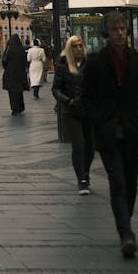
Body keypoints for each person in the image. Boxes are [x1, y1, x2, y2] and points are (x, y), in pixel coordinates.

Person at [82, 11, 138, 259]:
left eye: (123, 28)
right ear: (107, 32)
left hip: (133, 132)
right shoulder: (96, 62)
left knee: (131, 185)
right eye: (115, 29)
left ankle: (124, 223)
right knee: (118, 182)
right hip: (108, 134)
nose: (120, 33)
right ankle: (126, 233)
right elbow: (85, 96)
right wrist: (99, 119)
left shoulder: (136, 60)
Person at [52, 35, 95, 194]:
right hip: (71, 111)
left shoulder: (89, 64)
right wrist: (68, 101)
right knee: (79, 145)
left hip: (88, 110)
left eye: (80, 46)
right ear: (69, 48)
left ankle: (86, 172)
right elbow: (56, 89)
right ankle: (81, 180)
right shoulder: (63, 64)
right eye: (75, 46)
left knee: (90, 146)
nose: (79, 49)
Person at [2, 33, 28, 116]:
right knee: (19, 91)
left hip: (10, 73)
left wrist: (7, 67)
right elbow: (25, 61)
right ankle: (21, 107)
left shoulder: (9, 49)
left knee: (12, 92)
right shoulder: (21, 49)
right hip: (20, 73)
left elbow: (4, 61)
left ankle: (14, 109)